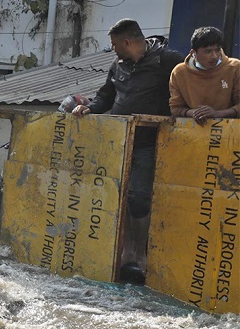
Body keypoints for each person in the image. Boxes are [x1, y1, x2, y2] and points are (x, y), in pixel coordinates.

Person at [72, 19, 184, 284]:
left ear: (128, 42)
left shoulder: (167, 60)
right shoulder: (118, 66)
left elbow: (185, 93)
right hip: (119, 142)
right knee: (114, 196)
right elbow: (106, 96)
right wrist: (90, 108)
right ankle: (120, 253)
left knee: (139, 198)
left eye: (114, 45)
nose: (112, 50)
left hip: (150, 141)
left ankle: (138, 254)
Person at [169, 26, 240, 122]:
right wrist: (195, 113)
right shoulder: (179, 73)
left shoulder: (234, 67)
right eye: (208, 51)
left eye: (217, 50)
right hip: (194, 131)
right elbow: (175, 108)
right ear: (193, 53)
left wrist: (217, 114)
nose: (214, 56)